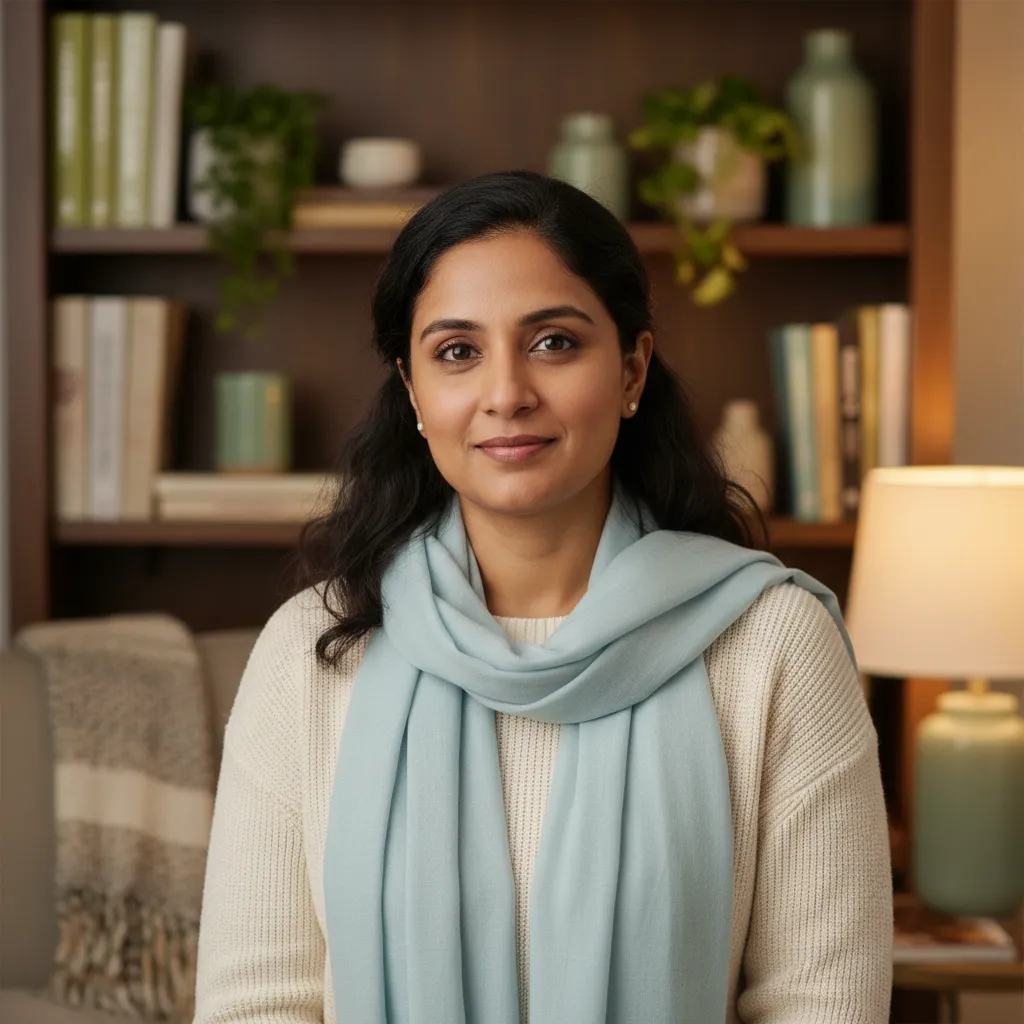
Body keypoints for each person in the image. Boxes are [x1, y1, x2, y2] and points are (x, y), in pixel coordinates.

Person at [193, 170, 892, 1023]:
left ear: (632, 367)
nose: (506, 394)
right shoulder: (315, 648)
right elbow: (256, 1004)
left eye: (554, 342)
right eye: (457, 352)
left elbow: (823, 1005)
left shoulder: (775, 646)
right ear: (413, 392)